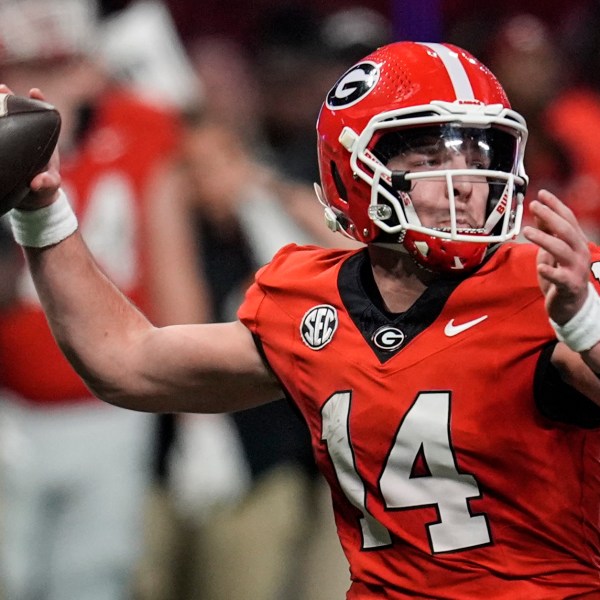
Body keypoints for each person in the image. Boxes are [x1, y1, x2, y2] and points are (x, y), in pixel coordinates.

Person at [7, 40, 600, 598]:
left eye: (481, 153)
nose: (466, 184)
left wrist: (585, 323)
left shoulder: (549, 285)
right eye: (431, 156)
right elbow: (125, 362)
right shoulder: (311, 299)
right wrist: (43, 207)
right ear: (352, 170)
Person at [0, 1, 188, 599]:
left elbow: (172, 269)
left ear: (89, 66)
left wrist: (196, 414)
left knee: (94, 579)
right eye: (22, 66)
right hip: (10, 405)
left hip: (109, 407)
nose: (43, 88)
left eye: (56, 66)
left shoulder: (141, 124)